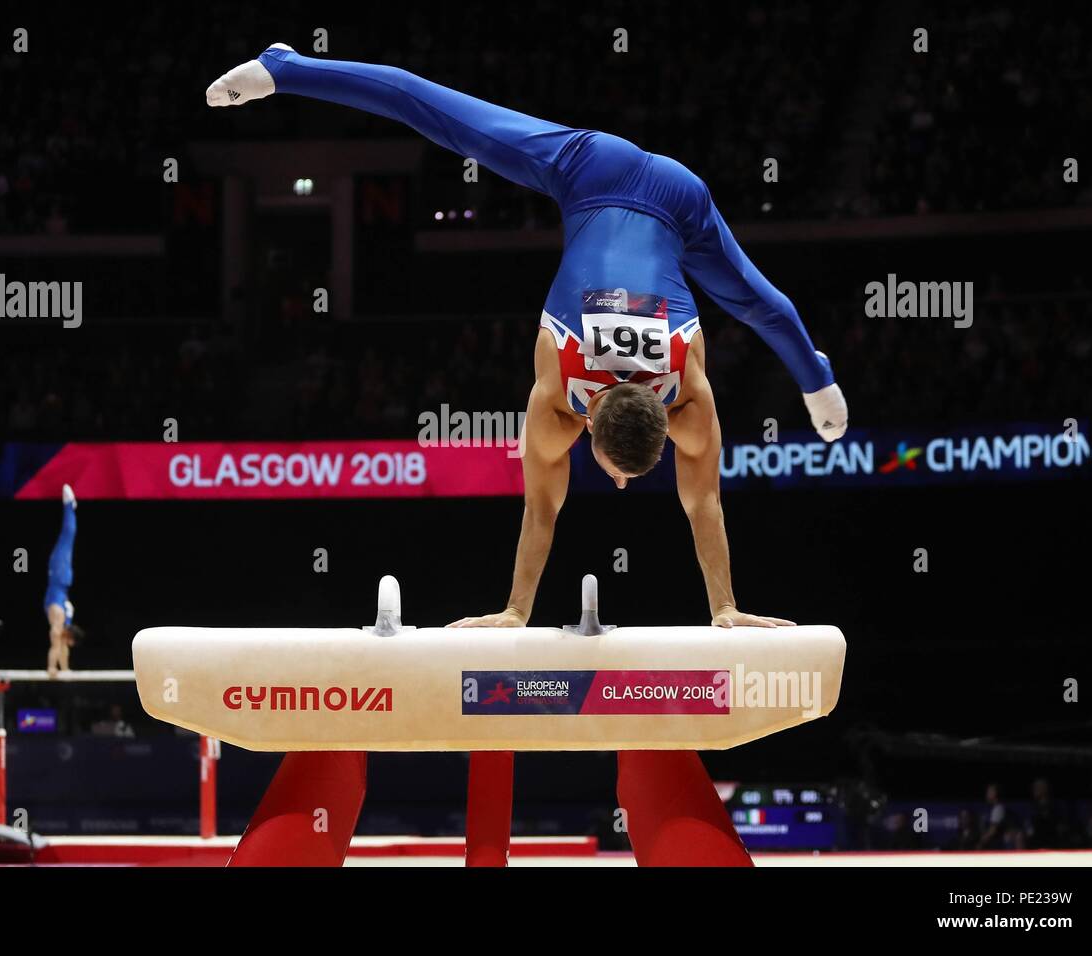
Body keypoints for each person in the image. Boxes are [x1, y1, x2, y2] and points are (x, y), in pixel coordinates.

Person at [207, 45, 849, 867]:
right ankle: (285, 66)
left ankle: (817, 378)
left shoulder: (644, 392)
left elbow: (587, 507)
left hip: (637, 181)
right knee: (758, 301)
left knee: (434, 107)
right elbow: (668, 506)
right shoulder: (589, 397)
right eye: (628, 480)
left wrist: (528, 612)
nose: (622, 484)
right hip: (621, 182)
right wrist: (707, 608)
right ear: (613, 447)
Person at [45, 484, 84, 677]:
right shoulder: (64, 621)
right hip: (62, 576)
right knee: (68, 535)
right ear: (70, 635)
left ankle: (69, 506)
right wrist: (65, 670)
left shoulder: (59, 620)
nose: (66, 644)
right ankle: (69, 506)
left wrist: (51, 668)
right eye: (69, 642)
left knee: (68, 535)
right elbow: (60, 645)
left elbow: (56, 642)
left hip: (59, 576)